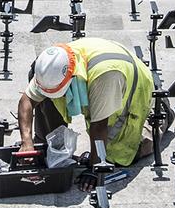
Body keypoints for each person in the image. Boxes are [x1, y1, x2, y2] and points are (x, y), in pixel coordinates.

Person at [17, 40, 157, 170]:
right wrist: (26, 141)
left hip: (131, 83)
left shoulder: (105, 77)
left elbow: (99, 125)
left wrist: (94, 168)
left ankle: (161, 112)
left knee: (120, 152)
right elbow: (27, 100)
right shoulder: (51, 66)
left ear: (70, 77)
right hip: (102, 65)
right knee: (46, 99)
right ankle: (46, 143)